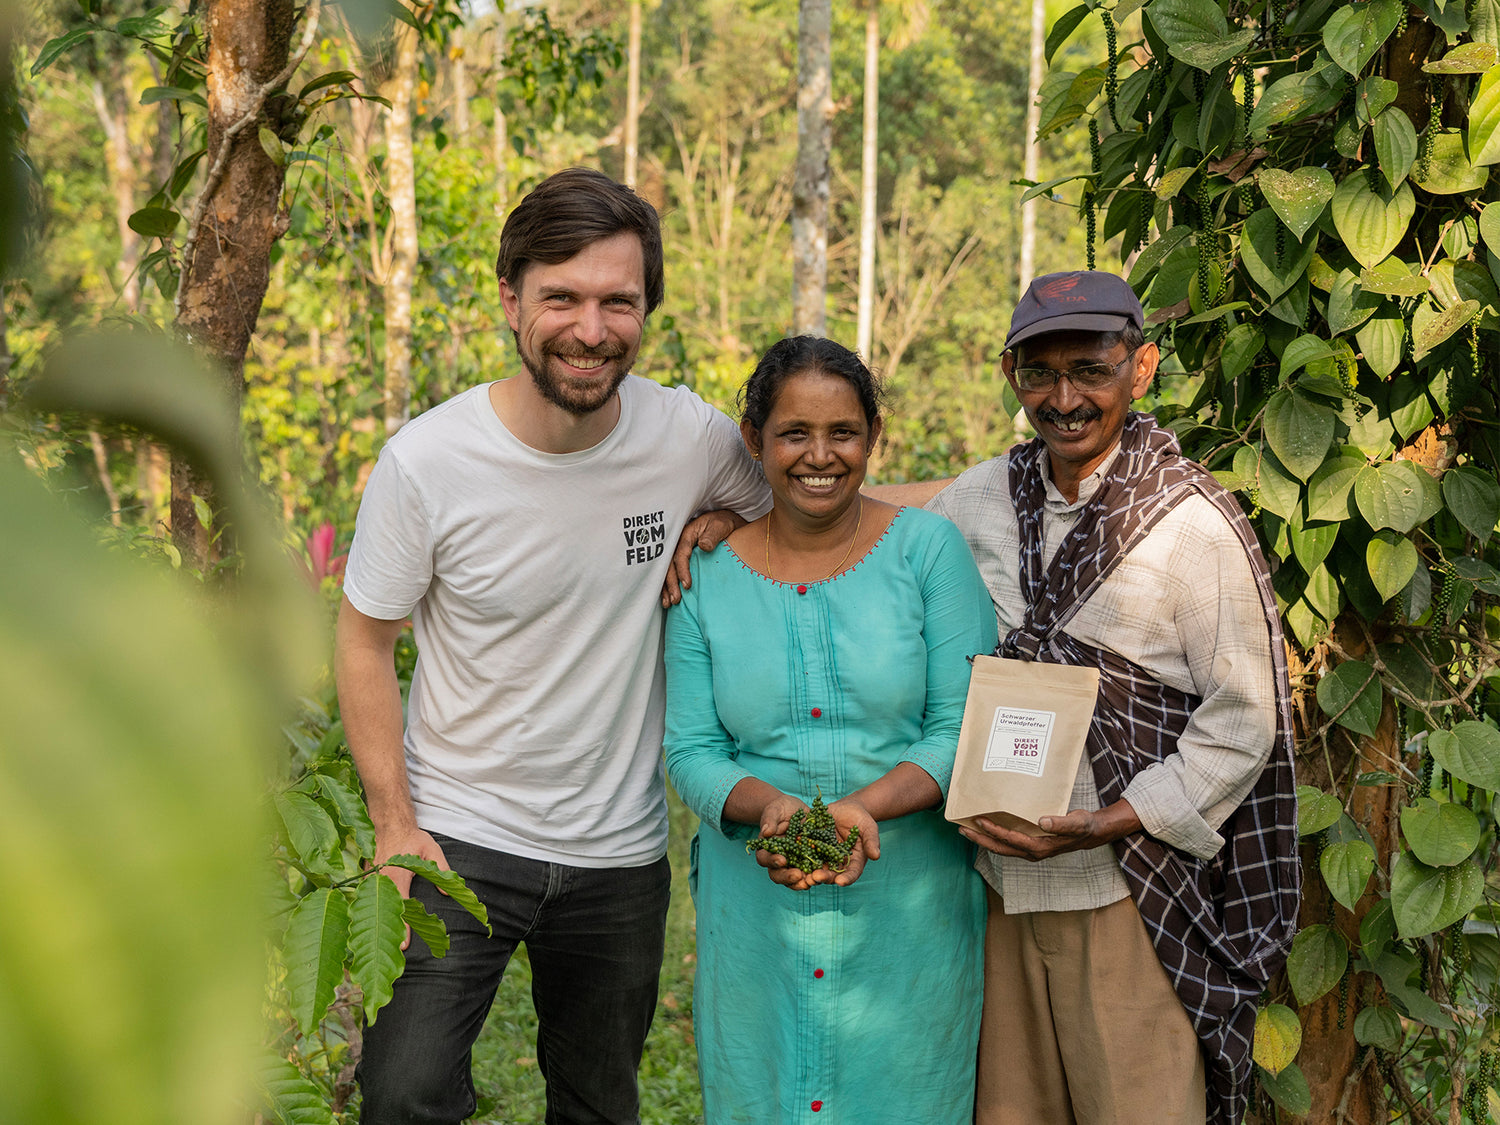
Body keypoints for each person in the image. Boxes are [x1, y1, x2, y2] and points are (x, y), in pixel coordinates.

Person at [336, 167, 771, 1125]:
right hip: (459, 834)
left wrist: (722, 524)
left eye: (619, 300)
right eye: (561, 297)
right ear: (510, 300)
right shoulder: (429, 461)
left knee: (600, 1104)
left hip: (620, 852)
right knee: (403, 1095)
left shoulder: (686, 434)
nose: (591, 327)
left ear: (647, 307)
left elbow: (808, 506)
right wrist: (393, 822)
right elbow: (364, 641)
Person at [908, 270, 1299, 1125]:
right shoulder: (978, 501)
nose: (1065, 397)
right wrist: (731, 514)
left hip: (1129, 894)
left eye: (1089, 369)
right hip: (995, 888)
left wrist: (1107, 821)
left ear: (1142, 367)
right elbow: (874, 529)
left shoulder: (1190, 523)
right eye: (1040, 373)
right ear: (1012, 376)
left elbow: (1243, 720)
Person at [663, 336, 998, 1125]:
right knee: (764, 1094)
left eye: (843, 432)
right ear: (755, 442)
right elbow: (691, 748)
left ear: (873, 436)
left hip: (910, 910)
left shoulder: (928, 552)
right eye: (794, 434)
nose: (821, 455)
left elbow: (963, 723)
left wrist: (865, 808)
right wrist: (769, 807)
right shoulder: (704, 573)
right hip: (756, 911)